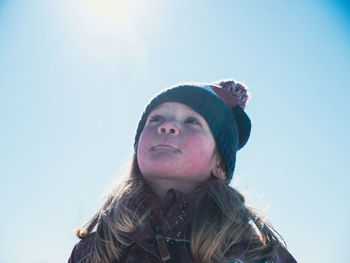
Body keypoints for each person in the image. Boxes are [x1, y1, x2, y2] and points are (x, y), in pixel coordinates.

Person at [68, 80, 297, 263]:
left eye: (192, 121)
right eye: (156, 118)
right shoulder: (95, 250)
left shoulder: (257, 253)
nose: (166, 126)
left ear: (220, 165)